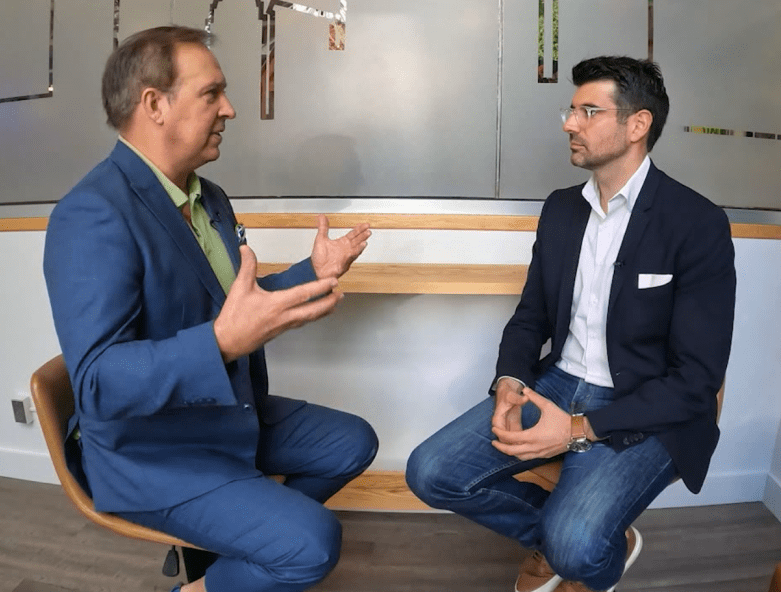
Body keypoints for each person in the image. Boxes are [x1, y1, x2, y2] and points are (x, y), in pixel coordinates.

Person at [43, 26, 378, 592]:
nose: (230, 108)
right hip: (151, 453)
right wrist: (220, 344)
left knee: (354, 442)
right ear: (155, 105)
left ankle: (233, 547)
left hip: (223, 413)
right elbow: (97, 383)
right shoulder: (92, 214)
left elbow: (232, 304)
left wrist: (312, 272)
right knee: (313, 543)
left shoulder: (209, 197)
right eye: (211, 93)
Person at [407, 56, 736, 592]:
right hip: (558, 382)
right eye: (571, 110)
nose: (569, 124)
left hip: (646, 402)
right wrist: (510, 382)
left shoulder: (697, 222)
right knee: (429, 472)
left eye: (588, 111)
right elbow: (531, 316)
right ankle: (573, 541)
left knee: (578, 547)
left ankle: (582, 550)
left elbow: (696, 380)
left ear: (637, 124)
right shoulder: (561, 209)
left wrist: (578, 429)